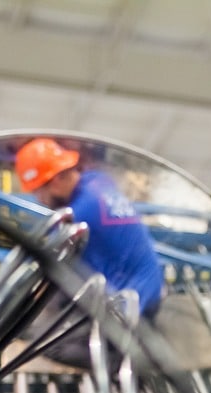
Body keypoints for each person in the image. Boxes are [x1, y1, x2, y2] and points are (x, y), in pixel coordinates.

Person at [14, 137, 164, 368]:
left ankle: (129, 362)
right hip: (150, 285)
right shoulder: (97, 181)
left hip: (132, 306)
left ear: (54, 182)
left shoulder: (77, 217)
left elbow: (54, 268)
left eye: (38, 192)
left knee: (46, 342)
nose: (39, 200)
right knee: (61, 300)